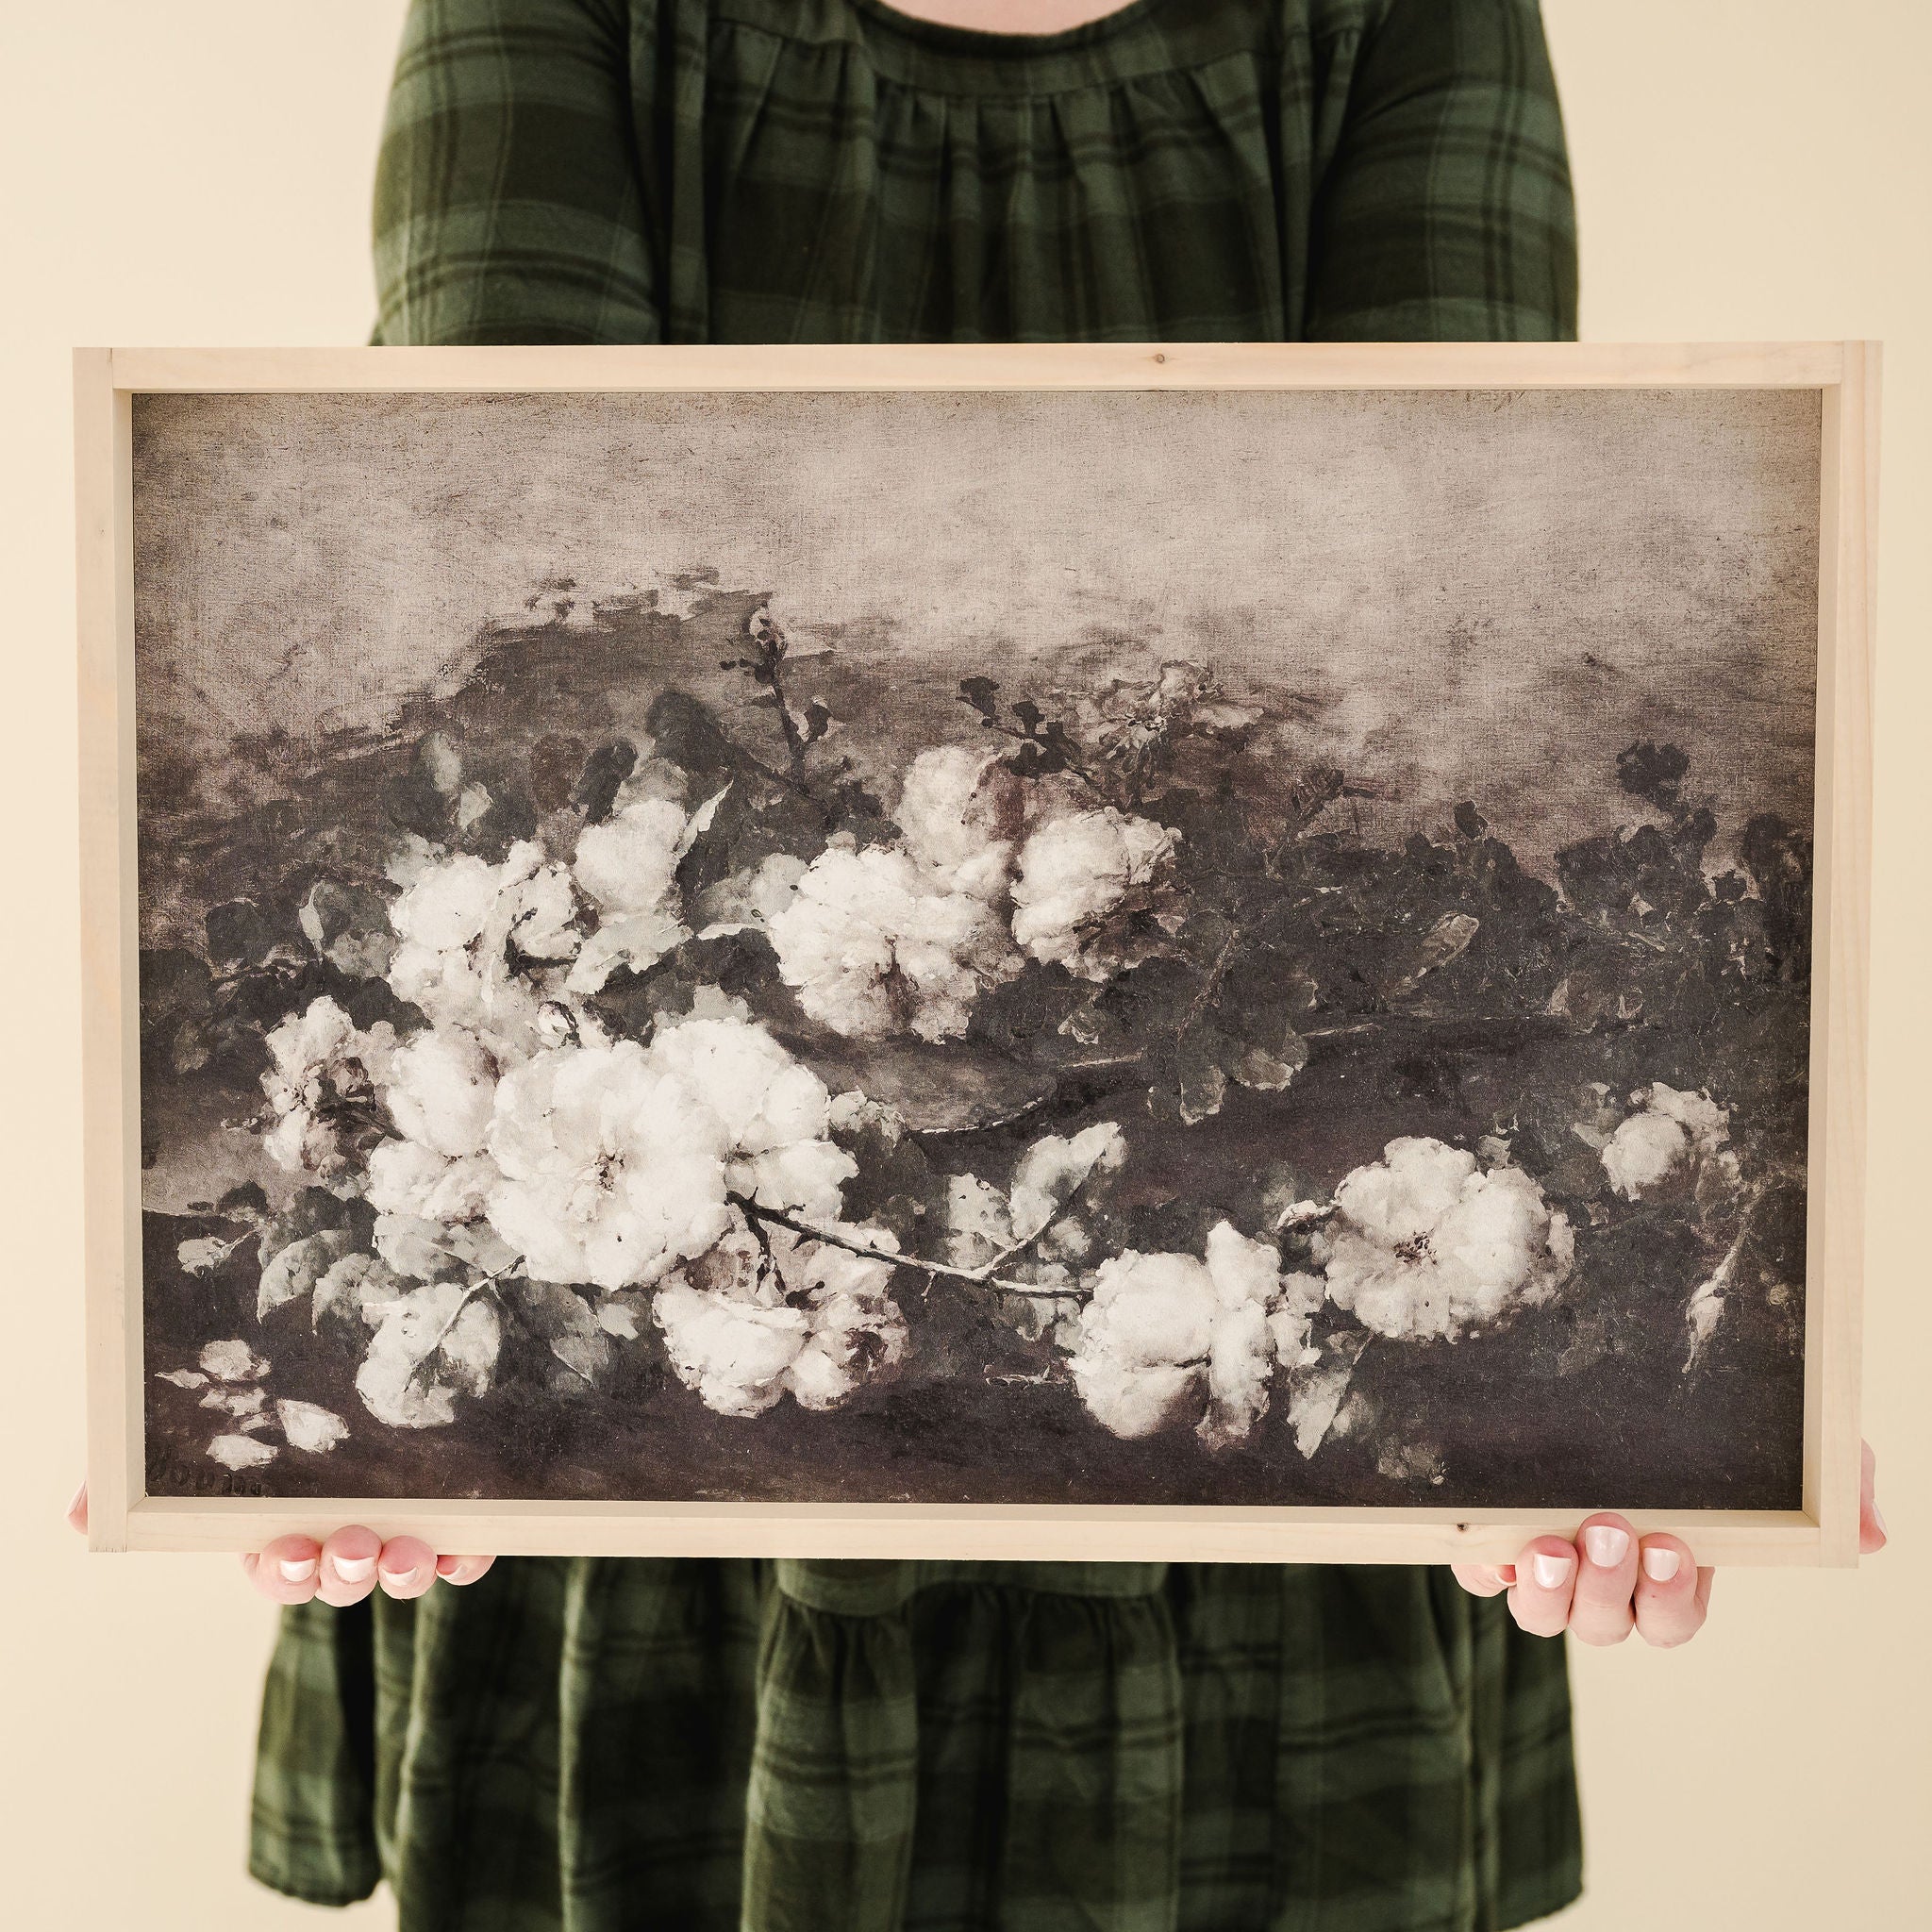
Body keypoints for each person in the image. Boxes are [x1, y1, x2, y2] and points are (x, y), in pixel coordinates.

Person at [69, 2, 1890, 1926]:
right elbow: (480, 598)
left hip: (1252, 1472)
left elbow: (1490, 549)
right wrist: (310, 1360)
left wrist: (1688, 1386)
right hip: (657, 1499)